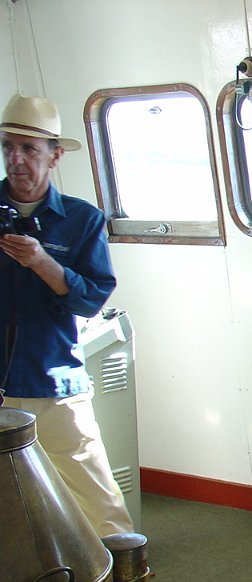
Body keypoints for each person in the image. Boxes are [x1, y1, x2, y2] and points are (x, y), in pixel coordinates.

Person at [0, 94, 133, 537]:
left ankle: (128, 576)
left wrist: (42, 262)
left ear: (55, 156)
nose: (16, 159)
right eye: (8, 147)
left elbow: (91, 299)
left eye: (29, 149)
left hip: (54, 382)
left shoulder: (82, 220)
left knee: (99, 503)